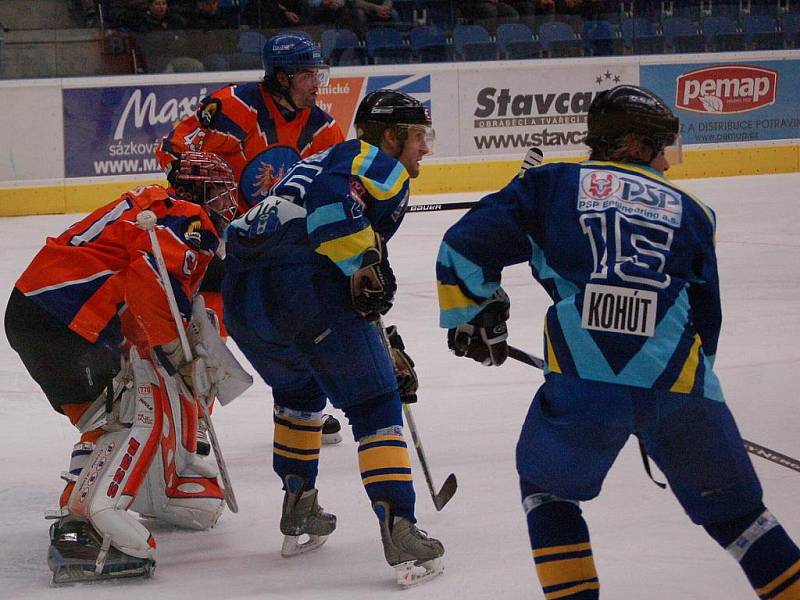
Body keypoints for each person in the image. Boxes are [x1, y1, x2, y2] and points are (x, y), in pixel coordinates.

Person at [436, 85, 800, 599]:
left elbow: (463, 247)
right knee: (742, 518)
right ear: (632, 143)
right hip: (680, 385)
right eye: (659, 147)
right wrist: (690, 397)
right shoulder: (695, 211)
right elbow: (706, 319)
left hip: (585, 385)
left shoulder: (551, 185)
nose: (667, 163)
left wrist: (475, 316)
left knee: (548, 494)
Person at [221, 89, 444, 586]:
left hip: (244, 300)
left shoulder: (320, 158)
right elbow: (330, 216)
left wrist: (373, 325)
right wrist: (364, 267)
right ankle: (400, 527)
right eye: (417, 137)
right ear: (391, 137)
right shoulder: (374, 160)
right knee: (374, 399)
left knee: (300, 389)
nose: (423, 149)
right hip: (301, 288)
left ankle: (299, 505)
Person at [4, 152, 243, 584]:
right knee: (130, 412)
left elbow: (136, 292)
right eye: (221, 193)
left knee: (106, 415)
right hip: (65, 317)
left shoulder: (153, 208)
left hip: (37, 312)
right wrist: (177, 351)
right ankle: (94, 521)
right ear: (197, 193)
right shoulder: (186, 219)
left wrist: (164, 347)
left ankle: (80, 507)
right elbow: (150, 285)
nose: (229, 204)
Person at [155, 31, 346, 441]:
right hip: (218, 235)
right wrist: (196, 188)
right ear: (281, 78)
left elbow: (332, 189)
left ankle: (303, 405)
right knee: (208, 326)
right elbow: (173, 150)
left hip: (276, 240)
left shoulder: (323, 128)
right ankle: (196, 421)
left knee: (299, 318)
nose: (316, 84)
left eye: (318, 74)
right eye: (306, 75)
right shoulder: (233, 106)